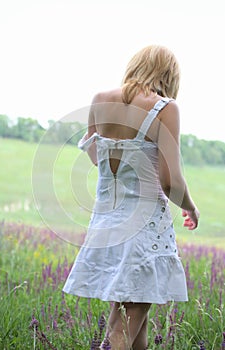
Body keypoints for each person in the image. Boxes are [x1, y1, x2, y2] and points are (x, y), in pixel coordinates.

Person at [63, 45, 200, 350]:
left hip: (106, 226)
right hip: (144, 230)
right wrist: (190, 207)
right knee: (121, 330)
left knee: (136, 323)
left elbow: (97, 158)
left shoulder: (100, 99)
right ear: (169, 75)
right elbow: (170, 181)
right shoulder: (166, 108)